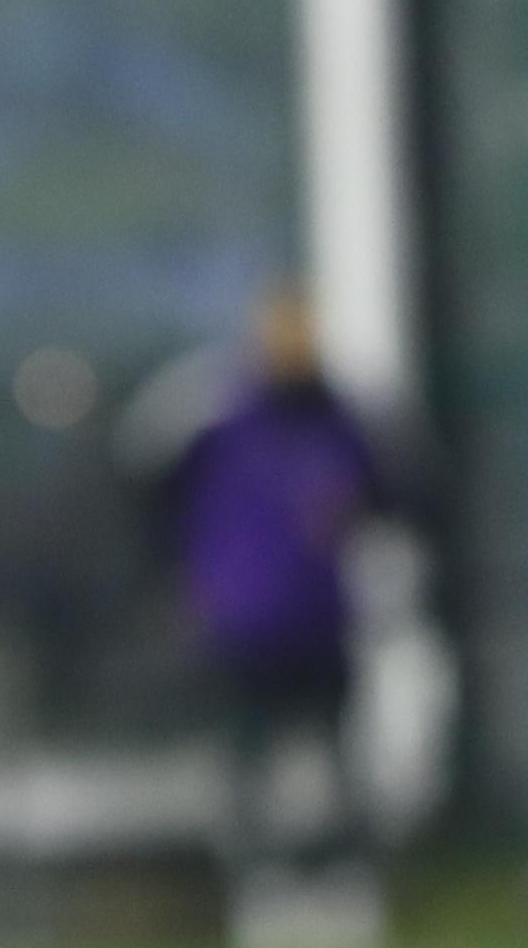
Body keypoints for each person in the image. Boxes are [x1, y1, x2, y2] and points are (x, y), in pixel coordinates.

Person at [167, 289, 389, 874]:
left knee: (327, 753)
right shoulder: (218, 419)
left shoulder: (338, 421)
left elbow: (383, 494)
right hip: (247, 618)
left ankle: (330, 862)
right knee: (252, 755)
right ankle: (256, 863)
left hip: (313, 615)